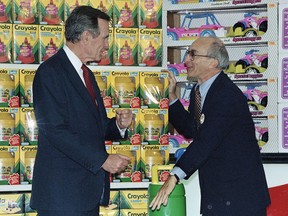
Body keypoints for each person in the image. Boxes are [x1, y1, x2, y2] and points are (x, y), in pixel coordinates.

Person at [149, 36, 271, 216]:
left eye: (192, 54)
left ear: (213, 62)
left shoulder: (226, 95)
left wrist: (174, 176)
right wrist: (172, 97)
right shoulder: (198, 91)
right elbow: (192, 130)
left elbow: (205, 141)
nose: (186, 60)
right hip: (219, 197)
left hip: (239, 200)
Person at [30, 6, 133, 216]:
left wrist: (118, 125)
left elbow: (97, 127)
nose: (107, 45)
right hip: (62, 198)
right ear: (86, 36)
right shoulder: (50, 72)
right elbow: (56, 131)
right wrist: (103, 160)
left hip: (85, 195)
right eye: (104, 38)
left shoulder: (86, 73)